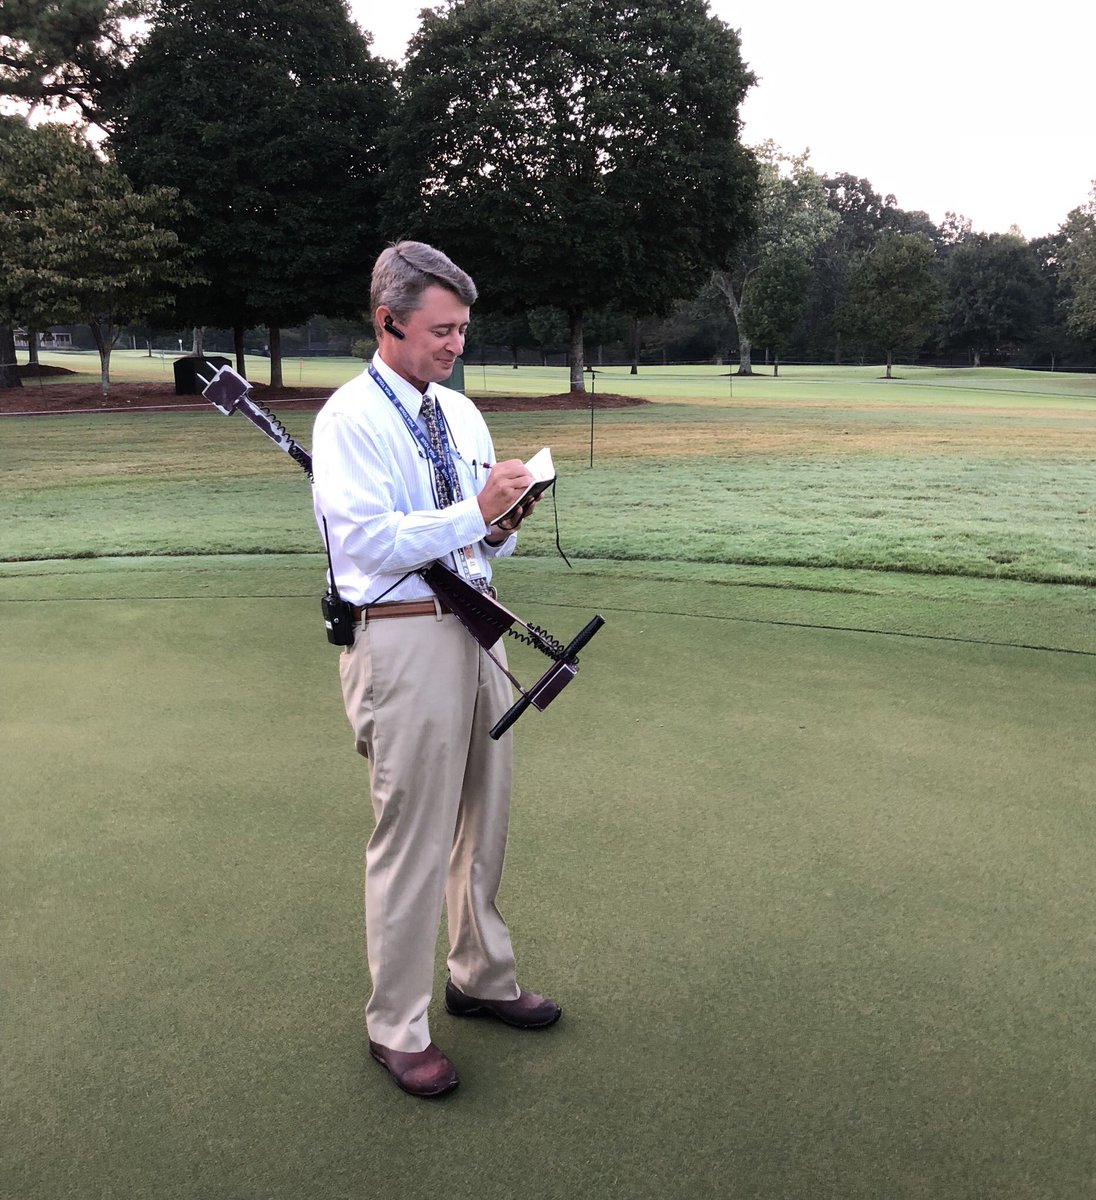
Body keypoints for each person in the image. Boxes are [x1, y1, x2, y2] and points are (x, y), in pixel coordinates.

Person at [311, 241, 561, 1100]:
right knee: (412, 836)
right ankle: (397, 1028)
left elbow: (488, 533)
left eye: (463, 330)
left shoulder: (459, 414)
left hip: (479, 628)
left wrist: (500, 523)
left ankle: (481, 977)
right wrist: (471, 513)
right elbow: (369, 544)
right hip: (401, 636)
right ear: (388, 322)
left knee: (483, 820)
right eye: (441, 330)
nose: (456, 346)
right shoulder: (349, 419)